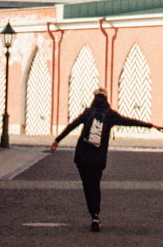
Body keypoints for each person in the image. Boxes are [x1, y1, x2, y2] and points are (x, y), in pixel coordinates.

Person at [49, 88, 155, 231]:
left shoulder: (87, 113)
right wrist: (152, 126)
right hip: (97, 159)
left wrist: (57, 140)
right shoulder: (110, 115)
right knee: (95, 185)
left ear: (94, 98)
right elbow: (130, 121)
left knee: (87, 186)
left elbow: (71, 126)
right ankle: (96, 216)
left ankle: (92, 213)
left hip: (81, 157)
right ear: (106, 98)